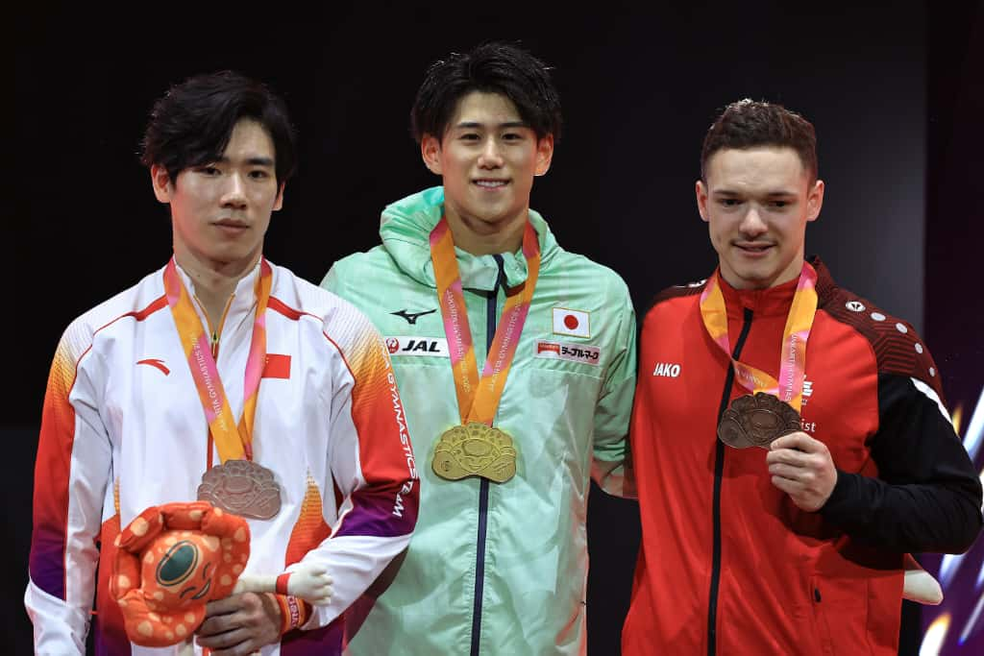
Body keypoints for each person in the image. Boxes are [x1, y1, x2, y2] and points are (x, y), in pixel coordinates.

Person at [25, 71, 418, 655]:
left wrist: (291, 606)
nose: (236, 193)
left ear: (280, 193)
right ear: (163, 181)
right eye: (210, 169)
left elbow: (392, 497)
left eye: (257, 173)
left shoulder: (338, 336)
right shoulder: (96, 343)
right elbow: (62, 539)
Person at [622, 99, 983, 655]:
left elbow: (958, 514)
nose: (752, 224)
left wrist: (841, 494)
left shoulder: (878, 347)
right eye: (731, 201)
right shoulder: (659, 323)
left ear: (814, 201)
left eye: (777, 203)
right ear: (702, 202)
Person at [321, 42, 637, 655]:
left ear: (542, 152)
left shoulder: (599, 297)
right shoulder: (355, 288)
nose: (491, 158)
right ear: (433, 150)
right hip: (385, 635)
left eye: (512, 137)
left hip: (539, 636)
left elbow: (625, 462)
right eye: (470, 137)